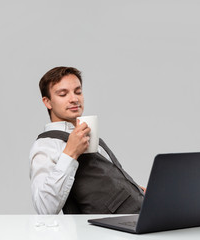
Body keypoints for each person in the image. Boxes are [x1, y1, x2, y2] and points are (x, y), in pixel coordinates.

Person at [29, 66, 144, 214]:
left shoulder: (86, 132)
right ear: (48, 102)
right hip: (106, 231)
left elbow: (101, 185)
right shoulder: (45, 146)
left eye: (78, 92)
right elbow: (44, 209)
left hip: (136, 215)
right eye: (63, 94)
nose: (74, 99)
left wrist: (134, 190)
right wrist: (70, 154)